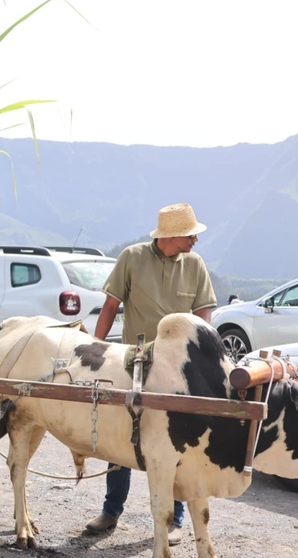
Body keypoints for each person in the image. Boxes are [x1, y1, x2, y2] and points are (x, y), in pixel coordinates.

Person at [84, 203, 217, 547]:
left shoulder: (195, 265)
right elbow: (111, 307)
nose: (195, 241)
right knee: (121, 435)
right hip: (133, 360)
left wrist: (206, 362)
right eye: (191, 235)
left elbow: (203, 316)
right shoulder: (132, 257)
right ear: (172, 236)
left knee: (175, 442)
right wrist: (96, 349)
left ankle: (175, 520)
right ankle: (111, 511)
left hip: (179, 368)